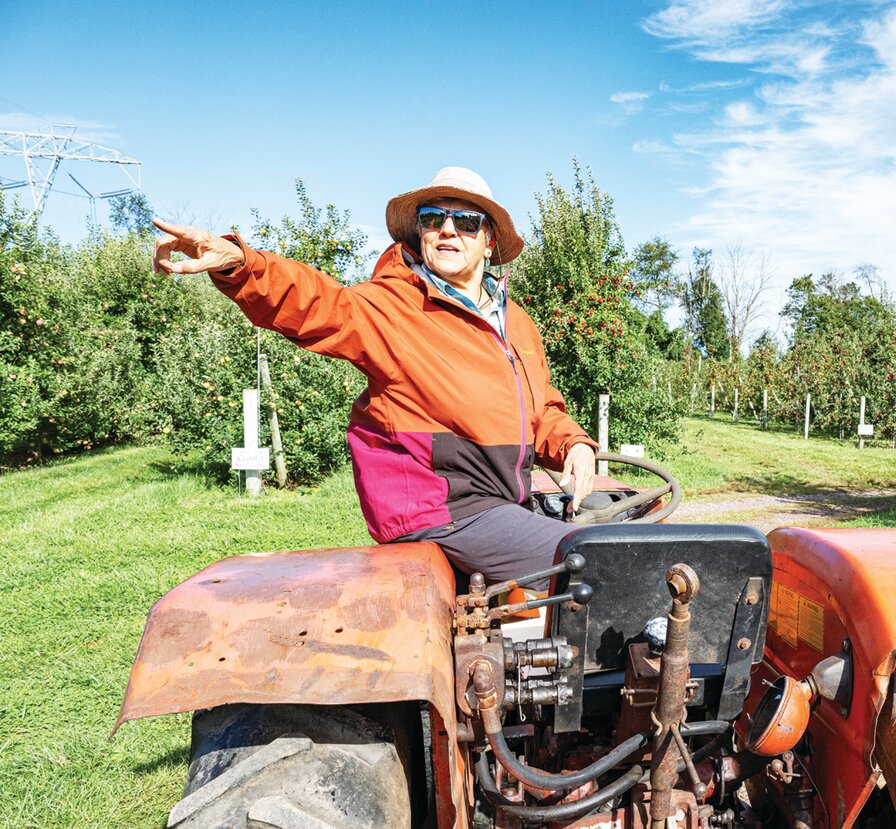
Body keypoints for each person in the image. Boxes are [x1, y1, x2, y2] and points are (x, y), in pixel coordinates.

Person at [151, 166, 598, 583]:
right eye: (432, 218)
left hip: (497, 502)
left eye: (465, 222)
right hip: (442, 508)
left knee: (617, 535)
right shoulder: (391, 306)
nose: (447, 230)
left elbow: (539, 403)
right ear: (418, 232)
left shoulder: (515, 320)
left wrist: (572, 444)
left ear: (489, 241)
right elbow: (320, 306)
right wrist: (240, 264)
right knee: (601, 562)